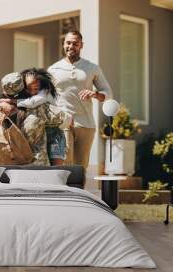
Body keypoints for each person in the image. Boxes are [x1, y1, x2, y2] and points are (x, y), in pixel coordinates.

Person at [48, 30, 113, 169]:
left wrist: (94, 94)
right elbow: (45, 96)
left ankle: (78, 191)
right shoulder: (53, 69)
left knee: (80, 168)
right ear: (63, 44)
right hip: (63, 122)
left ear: (81, 45)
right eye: (68, 43)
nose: (71, 46)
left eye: (75, 43)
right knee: (65, 164)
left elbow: (108, 93)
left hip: (86, 124)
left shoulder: (91, 67)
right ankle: (64, 191)